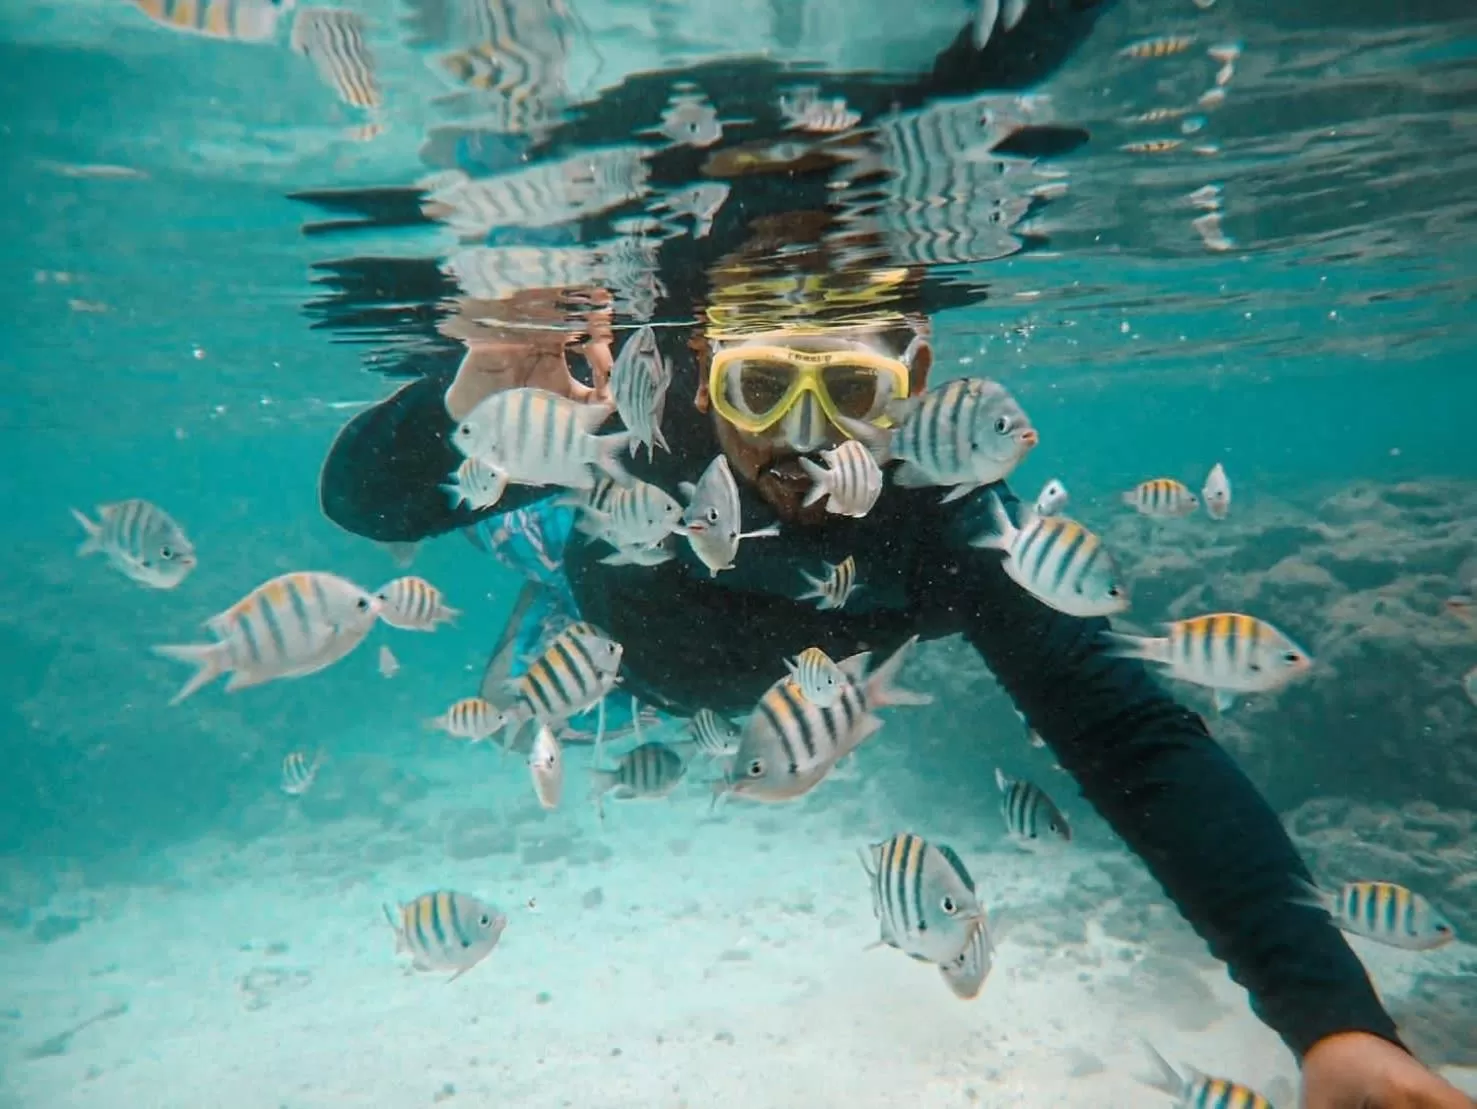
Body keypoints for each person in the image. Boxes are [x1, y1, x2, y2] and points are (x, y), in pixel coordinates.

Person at [307, 7, 1472, 1107]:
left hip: (751, 681)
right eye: (762, 385)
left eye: (853, 387)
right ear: (706, 369)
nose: (806, 435)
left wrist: (1332, 1020)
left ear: (913, 377)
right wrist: (463, 403)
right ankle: (534, 543)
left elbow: (1131, 734)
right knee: (541, 530)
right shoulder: (641, 415)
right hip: (614, 623)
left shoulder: (942, 511)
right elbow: (360, 505)